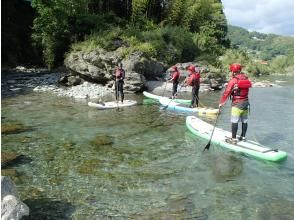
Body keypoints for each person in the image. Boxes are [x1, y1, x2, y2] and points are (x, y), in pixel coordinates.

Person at [219, 63, 252, 144]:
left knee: (234, 121)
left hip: (237, 104)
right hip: (246, 103)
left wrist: (221, 102)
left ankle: (233, 139)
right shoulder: (246, 78)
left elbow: (227, 92)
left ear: (233, 71)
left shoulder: (233, 80)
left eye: (231, 71)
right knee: (244, 121)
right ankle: (243, 137)